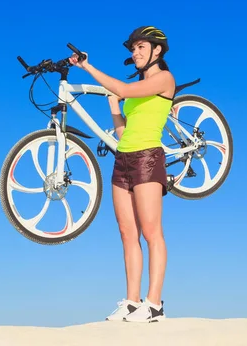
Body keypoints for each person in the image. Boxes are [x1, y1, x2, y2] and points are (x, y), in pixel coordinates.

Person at [69, 26, 175, 323]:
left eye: (141, 47)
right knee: (128, 233)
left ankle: (154, 304)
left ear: (157, 50)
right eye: (133, 48)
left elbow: (125, 89)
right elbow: (122, 132)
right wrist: (114, 105)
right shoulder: (135, 87)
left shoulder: (164, 79)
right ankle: (132, 301)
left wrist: (87, 66)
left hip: (148, 157)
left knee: (152, 232)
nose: (135, 53)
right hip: (123, 159)